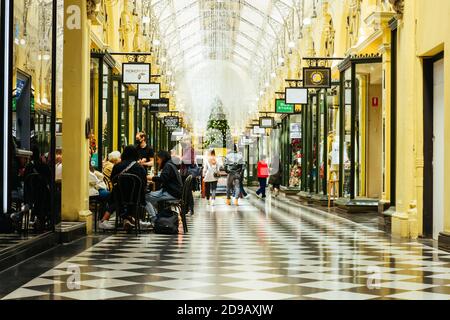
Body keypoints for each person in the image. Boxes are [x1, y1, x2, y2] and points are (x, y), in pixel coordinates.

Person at [99, 146, 148, 231]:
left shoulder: (117, 166)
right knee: (134, 196)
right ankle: (131, 219)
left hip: (119, 196)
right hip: (135, 197)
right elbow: (144, 183)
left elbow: (112, 179)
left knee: (116, 193)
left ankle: (106, 220)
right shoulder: (140, 168)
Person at [145, 151, 183, 221]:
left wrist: (150, 177)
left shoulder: (168, 165)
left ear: (162, 158)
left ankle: (155, 220)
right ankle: (157, 218)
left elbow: (162, 179)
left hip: (171, 193)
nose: (157, 162)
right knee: (151, 198)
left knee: (145, 198)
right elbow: (165, 178)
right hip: (174, 192)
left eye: (158, 159)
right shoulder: (170, 164)